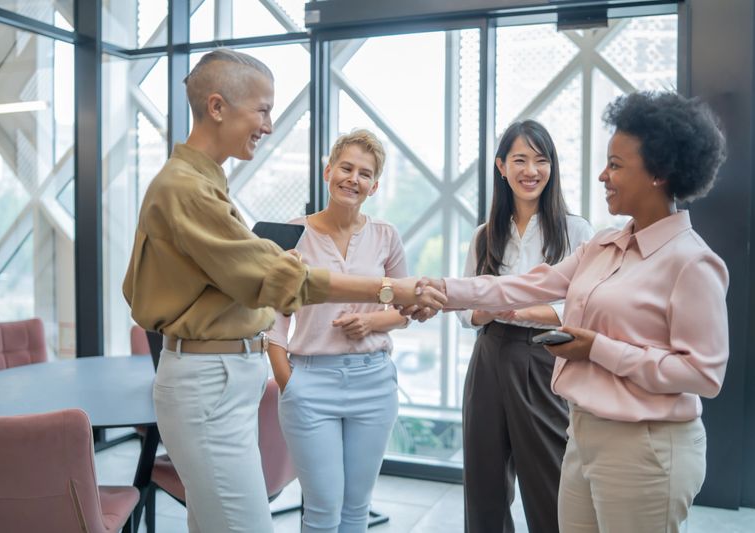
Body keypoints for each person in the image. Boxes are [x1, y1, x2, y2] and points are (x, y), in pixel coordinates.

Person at [123, 49, 445, 533]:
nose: (269, 125)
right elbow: (283, 284)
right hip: (214, 381)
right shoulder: (187, 189)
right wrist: (388, 289)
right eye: (263, 109)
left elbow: (147, 286)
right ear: (217, 107)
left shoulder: (202, 185)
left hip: (225, 380)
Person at [402, 91, 729, 532]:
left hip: (646, 446)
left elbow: (703, 376)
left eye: (615, 165)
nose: (602, 175)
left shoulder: (692, 261)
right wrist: (441, 289)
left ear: (660, 172)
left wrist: (598, 348)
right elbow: (526, 284)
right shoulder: (604, 245)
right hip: (584, 431)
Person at [267, 129, 407, 533]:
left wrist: (372, 321)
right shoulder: (293, 233)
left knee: (356, 510)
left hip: (374, 381)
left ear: (375, 185)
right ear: (328, 171)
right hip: (309, 381)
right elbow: (273, 315)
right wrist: (287, 380)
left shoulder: (386, 236)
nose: (353, 178)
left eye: (365, 173)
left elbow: (405, 307)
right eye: (346, 167)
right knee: (323, 511)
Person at [456, 120, 593, 533]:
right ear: (501, 166)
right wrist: (488, 308)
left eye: (540, 159)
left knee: (548, 479)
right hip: (490, 356)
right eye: (519, 159)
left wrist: (513, 305)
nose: (530, 170)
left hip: (545, 356)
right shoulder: (485, 235)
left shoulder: (576, 230)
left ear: (552, 167)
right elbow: (467, 309)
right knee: (484, 483)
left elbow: (580, 308)